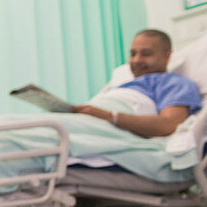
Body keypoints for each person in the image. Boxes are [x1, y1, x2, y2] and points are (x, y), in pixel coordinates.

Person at [73, 29, 201, 137]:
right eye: (133, 54)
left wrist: (109, 116)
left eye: (145, 54)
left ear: (166, 56)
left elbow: (170, 124)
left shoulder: (174, 83)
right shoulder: (123, 85)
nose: (137, 60)